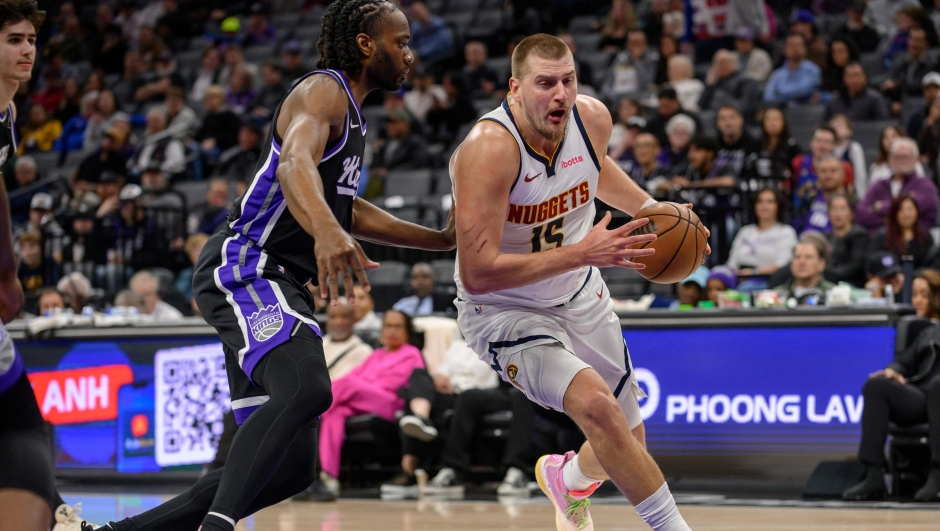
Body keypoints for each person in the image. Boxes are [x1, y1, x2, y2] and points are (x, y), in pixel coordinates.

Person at [84, 3, 457, 530]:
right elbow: (293, 164)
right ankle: (218, 526)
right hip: (248, 263)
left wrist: (439, 241)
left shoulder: (353, 115)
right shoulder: (323, 90)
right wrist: (326, 232)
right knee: (308, 388)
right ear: (366, 44)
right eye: (401, 42)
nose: (410, 54)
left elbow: (348, 208)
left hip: (277, 279)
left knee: (289, 469)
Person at [452, 33, 697, 531]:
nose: (560, 93)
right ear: (515, 88)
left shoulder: (593, 119)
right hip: (504, 309)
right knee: (598, 410)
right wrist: (582, 252)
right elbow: (478, 275)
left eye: (568, 80)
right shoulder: (489, 149)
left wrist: (653, 208)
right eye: (545, 83)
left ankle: (568, 481)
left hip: (579, 291)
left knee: (627, 446)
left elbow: (592, 167)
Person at [0, 4, 92, 531]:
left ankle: (56, 514)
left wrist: (6, 272)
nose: (27, 50)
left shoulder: (9, 113)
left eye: (31, 39)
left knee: (20, 422)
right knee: (21, 425)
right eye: (14, 39)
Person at [842, 268, 940, 502]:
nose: (917, 300)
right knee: (877, 385)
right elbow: (904, 362)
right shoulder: (929, 332)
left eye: (924, 294)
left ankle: (938, 476)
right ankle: (874, 476)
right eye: (914, 294)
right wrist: (892, 372)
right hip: (922, 395)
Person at [318, 310, 425, 494]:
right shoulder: (376, 354)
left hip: (389, 403)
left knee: (347, 384)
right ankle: (327, 475)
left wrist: (364, 384)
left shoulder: (412, 354)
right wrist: (363, 384)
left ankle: (313, 412)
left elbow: (396, 384)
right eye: (388, 326)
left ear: (407, 331)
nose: (392, 331)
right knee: (336, 412)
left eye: (398, 326)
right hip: (361, 399)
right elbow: (356, 375)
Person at [381, 338, 497, 499]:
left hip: (478, 396)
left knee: (467, 397)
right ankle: (421, 417)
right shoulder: (458, 345)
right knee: (418, 375)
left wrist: (457, 386)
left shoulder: (500, 342)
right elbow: (443, 371)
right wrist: (440, 378)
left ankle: (409, 471)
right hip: (450, 393)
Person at [856, 138, 938, 232]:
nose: (901, 160)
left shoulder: (926, 186)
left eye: (906, 156)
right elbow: (860, 213)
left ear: (916, 159)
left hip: (917, 238)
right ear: (890, 160)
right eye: (897, 157)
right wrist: (889, 223)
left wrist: (880, 207)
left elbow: (911, 211)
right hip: (881, 238)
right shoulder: (879, 185)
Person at [726, 188, 798, 275]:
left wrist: (753, 272)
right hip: (738, 276)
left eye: (770, 202)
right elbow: (732, 261)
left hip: (767, 278)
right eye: (760, 201)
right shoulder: (745, 231)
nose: (764, 206)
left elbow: (783, 264)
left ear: (778, 206)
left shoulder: (786, 232)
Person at [791, 127, 855, 222]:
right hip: (801, 213)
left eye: (827, 142)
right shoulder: (798, 162)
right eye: (819, 141)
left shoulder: (845, 167)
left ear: (834, 145)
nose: (822, 146)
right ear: (811, 142)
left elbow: (849, 192)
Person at [868, 195, 934, 269]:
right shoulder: (882, 237)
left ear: (917, 211)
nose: (906, 214)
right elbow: (871, 263)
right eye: (901, 210)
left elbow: (932, 263)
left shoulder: (925, 236)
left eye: (910, 209)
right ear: (894, 213)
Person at [773, 233, 836, 304]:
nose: (802, 262)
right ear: (791, 264)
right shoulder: (776, 296)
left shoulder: (834, 294)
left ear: (821, 264)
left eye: (808, 257)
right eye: (797, 257)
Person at [882, 27, 933, 113]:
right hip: (902, 104)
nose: (914, 44)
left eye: (918, 40)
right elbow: (893, 83)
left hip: (924, 105)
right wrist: (892, 96)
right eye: (912, 39)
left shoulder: (933, 65)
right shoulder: (899, 63)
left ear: (926, 44)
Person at [698, 49, 760, 118]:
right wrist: (709, 86)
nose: (722, 66)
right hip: (711, 116)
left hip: (735, 117)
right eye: (718, 63)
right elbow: (701, 105)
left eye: (725, 62)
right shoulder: (712, 82)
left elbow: (746, 106)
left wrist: (723, 101)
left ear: (735, 63)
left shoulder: (746, 80)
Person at [824, 193, 870, 287]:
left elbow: (855, 266)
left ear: (851, 213)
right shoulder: (825, 237)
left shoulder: (860, 236)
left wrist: (827, 273)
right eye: (834, 209)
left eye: (842, 209)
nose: (838, 214)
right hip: (828, 281)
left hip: (853, 284)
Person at [762, 33, 821, 105]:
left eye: (798, 45)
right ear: (785, 49)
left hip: (805, 107)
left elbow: (804, 90)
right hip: (782, 109)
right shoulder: (778, 73)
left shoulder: (813, 70)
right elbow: (768, 96)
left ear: (805, 49)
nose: (795, 48)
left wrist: (781, 93)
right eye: (792, 45)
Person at [750, 107, 801, 190]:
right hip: (760, 188)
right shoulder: (756, 145)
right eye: (768, 119)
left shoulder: (792, 147)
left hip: (784, 189)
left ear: (784, 122)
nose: (772, 123)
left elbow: (797, 172)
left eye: (776, 119)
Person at [601, 29, 659, 102]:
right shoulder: (621, 58)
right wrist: (613, 98)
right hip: (618, 98)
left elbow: (647, 84)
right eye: (633, 43)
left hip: (640, 98)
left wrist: (637, 61)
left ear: (645, 44)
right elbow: (608, 83)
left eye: (638, 43)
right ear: (627, 44)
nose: (635, 46)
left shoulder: (651, 58)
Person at [798, 156, 850, 233]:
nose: (828, 175)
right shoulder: (808, 200)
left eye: (833, 171)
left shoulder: (852, 203)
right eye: (823, 171)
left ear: (843, 174)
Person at [824, 63, 890, 122]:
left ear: (865, 77)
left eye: (857, 75)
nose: (854, 80)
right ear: (844, 78)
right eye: (850, 76)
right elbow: (825, 124)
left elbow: (882, 124)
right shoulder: (834, 100)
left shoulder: (875, 99)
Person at [829, 115, 869, 197]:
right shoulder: (828, 148)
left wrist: (861, 195)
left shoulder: (854, 147)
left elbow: (860, 174)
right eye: (833, 126)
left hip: (850, 192)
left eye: (839, 125)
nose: (836, 129)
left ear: (849, 131)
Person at [907, 72, 940, 138]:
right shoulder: (917, 116)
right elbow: (912, 140)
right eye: (928, 88)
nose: (931, 92)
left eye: (935, 87)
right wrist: (930, 121)